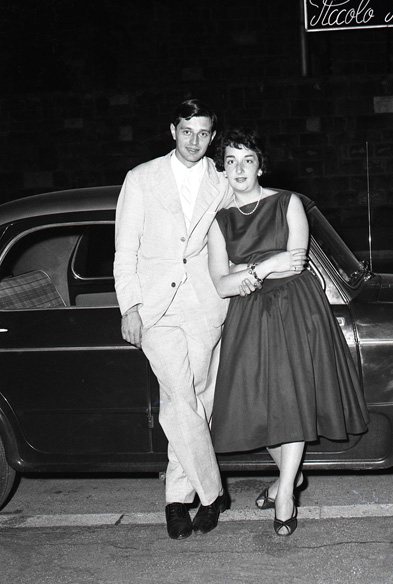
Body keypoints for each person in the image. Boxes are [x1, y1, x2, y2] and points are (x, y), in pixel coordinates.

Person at [207, 127, 369, 537]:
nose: (239, 169)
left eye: (247, 160)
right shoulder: (219, 222)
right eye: (230, 161)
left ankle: (284, 496)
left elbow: (295, 263)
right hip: (249, 316)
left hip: (296, 310)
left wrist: (251, 270)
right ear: (222, 170)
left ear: (260, 165)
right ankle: (290, 477)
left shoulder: (287, 202)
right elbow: (221, 284)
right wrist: (267, 265)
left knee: (290, 399)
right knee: (256, 403)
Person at [113, 98, 233, 540]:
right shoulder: (141, 178)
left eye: (203, 134)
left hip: (204, 304)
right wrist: (129, 307)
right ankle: (212, 493)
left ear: (212, 137)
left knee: (196, 400)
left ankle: (177, 499)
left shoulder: (221, 182)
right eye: (186, 131)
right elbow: (124, 249)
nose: (194, 141)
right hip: (155, 307)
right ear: (172, 131)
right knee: (182, 398)